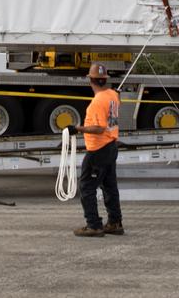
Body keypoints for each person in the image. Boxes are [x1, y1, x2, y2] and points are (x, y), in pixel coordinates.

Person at [71, 62, 123, 237]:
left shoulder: (96, 103)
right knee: (109, 186)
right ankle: (115, 223)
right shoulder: (113, 95)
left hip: (98, 149)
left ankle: (94, 225)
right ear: (104, 80)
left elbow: (99, 128)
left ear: (91, 80)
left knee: (87, 187)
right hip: (111, 145)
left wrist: (77, 129)